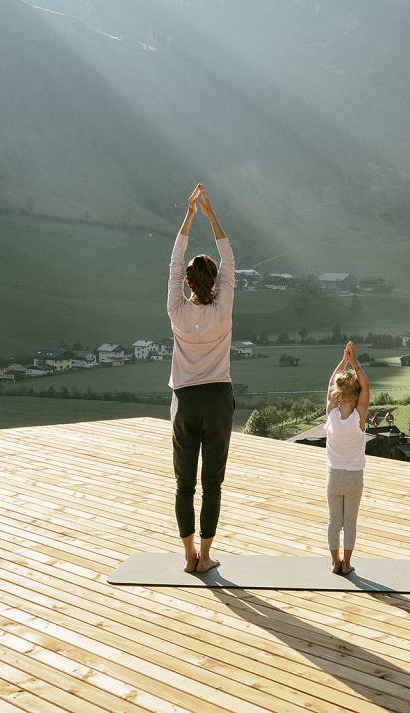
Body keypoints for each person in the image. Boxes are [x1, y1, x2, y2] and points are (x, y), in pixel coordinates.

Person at [167, 183, 235, 574]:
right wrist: (211, 214)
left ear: (188, 284)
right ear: (214, 281)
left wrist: (189, 215)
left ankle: (189, 555)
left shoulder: (177, 310)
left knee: (183, 484)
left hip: (186, 401)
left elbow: (174, 263)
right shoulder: (223, 308)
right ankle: (207, 556)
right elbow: (229, 258)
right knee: (212, 483)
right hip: (218, 400)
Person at [324, 339, 369, 575]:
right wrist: (355, 363)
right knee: (349, 522)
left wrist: (343, 361)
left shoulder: (331, 414)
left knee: (334, 522)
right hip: (354, 478)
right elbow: (367, 388)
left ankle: (334, 563)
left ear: (337, 395)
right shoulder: (359, 419)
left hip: (334, 478)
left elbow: (332, 381)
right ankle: (347, 563)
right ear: (356, 395)